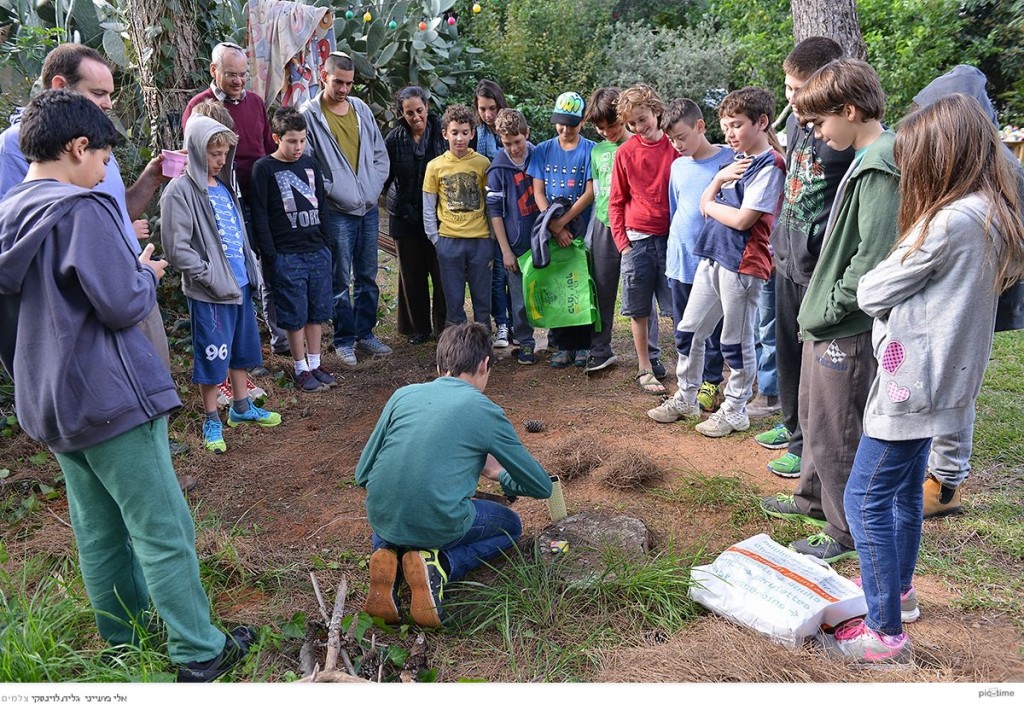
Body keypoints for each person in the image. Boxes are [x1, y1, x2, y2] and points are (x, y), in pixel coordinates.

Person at [0, 89, 255, 682]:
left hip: (56, 403)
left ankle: (125, 639)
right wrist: (144, 273)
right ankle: (199, 652)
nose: (107, 171)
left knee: (99, 532)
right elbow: (119, 304)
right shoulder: (79, 211)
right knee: (163, 527)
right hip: (112, 397)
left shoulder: (11, 213)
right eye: (106, 158)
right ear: (78, 146)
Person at [823, 94, 1024, 665]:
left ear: (942, 156)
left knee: (864, 499)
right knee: (905, 491)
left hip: (911, 379)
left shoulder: (948, 219)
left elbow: (872, 290)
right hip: (947, 380)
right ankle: (900, 595)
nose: (910, 172)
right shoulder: (993, 211)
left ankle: (885, 634)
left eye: (916, 160)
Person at [0, 43, 196, 484]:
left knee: (147, 382)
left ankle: (150, 467)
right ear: (60, 88)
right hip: (89, 306)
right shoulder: (19, 151)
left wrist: (149, 180)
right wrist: (137, 275)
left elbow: (112, 211)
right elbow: (40, 236)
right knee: (114, 408)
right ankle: (141, 477)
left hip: (124, 281)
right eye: (98, 92)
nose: (109, 103)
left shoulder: (90, 144)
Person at [760, 59, 898, 563]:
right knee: (815, 418)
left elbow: (872, 258)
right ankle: (813, 499)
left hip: (847, 324)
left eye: (820, 123)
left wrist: (830, 307)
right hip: (826, 319)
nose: (815, 132)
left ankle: (842, 531)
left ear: (850, 109)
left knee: (838, 427)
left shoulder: (882, 162)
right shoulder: (863, 154)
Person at [356, 322, 553, 628]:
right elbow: (540, 486)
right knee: (510, 526)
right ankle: (441, 567)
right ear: (485, 364)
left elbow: (362, 473)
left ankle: (389, 559)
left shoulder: (402, 395)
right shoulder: (484, 409)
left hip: (382, 516)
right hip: (440, 520)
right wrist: (498, 473)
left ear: (440, 364)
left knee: (398, 522)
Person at [907, 64, 1024, 518]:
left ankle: (947, 481)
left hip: (973, 295)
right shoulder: (962, 157)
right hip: (945, 289)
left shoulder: (1004, 167)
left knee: (957, 383)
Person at [648, 88, 784, 436]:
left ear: (762, 122)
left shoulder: (771, 165)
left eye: (737, 125)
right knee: (688, 331)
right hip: (711, 258)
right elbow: (713, 205)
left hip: (742, 265)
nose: (730, 133)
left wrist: (709, 201)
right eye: (726, 126)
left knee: (734, 342)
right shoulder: (733, 163)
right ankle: (686, 397)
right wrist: (719, 183)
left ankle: (735, 408)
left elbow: (742, 220)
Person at [754, 37, 853, 478]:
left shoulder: (846, 132)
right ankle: (791, 426)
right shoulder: (796, 124)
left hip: (819, 266)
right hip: (786, 255)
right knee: (787, 351)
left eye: (798, 89)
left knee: (817, 363)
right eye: (788, 88)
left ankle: (806, 446)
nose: (791, 99)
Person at [161, 115, 283, 454]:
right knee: (213, 355)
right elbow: (176, 247)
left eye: (223, 153)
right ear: (197, 150)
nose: (220, 160)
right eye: (214, 153)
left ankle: (242, 408)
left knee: (242, 350)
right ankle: (211, 418)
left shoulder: (225, 187)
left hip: (239, 285)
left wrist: (250, 272)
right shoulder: (180, 191)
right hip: (209, 292)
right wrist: (207, 275)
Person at [182, 41, 287, 356]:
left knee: (268, 261)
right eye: (231, 75)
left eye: (243, 75)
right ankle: (240, 344)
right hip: (223, 201)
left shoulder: (255, 103)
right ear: (214, 71)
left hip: (259, 198)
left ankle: (279, 337)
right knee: (235, 269)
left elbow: (267, 150)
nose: (239, 82)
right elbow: (193, 159)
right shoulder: (199, 108)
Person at [300, 51, 391, 367]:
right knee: (340, 276)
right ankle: (343, 339)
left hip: (367, 208)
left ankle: (365, 333)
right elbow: (307, 165)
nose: (343, 89)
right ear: (323, 76)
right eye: (338, 82)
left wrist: (372, 186)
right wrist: (334, 190)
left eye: (349, 83)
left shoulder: (362, 110)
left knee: (368, 274)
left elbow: (380, 155)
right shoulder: (310, 115)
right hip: (337, 210)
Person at [655, 98, 734, 418]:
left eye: (682, 137)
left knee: (712, 327)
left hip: (714, 261)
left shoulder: (729, 160)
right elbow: (678, 210)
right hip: (680, 260)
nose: (677, 145)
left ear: (700, 127)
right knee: (684, 327)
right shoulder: (676, 166)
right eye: (672, 139)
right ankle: (687, 385)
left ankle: (711, 382)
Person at [249, 106, 337, 393]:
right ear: (277, 138)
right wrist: (270, 253)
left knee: (316, 310)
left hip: (316, 250)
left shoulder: (311, 164)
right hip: (286, 253)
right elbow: (260, 213)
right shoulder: (264, 168)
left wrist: (327, 240)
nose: (298, 147)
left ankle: (315, 363)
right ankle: (299, 368)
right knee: (294, 312)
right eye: (291, 141)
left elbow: (322, 204)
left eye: (302, 140)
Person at [583, 86, 662, 378]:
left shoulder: (638, 145)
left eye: (612, 125)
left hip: (637, 230)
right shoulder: (597, 150)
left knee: (644, 293)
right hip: (604, 225)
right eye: (599, 128)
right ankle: (600, 349)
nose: (606, 132)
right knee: (601, 288)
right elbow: (600, 192)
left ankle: (652, 355)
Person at [607, 84, 677, 394]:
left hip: (671, 240)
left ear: (657, 112)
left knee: (678, 307)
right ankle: (645, 367)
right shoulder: (625, 152)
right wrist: (623, 243)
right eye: (632, 123)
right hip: (636, 241)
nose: (638, 127)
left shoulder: (675, 149)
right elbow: (616, 200)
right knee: (638, 309)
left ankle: (690, 364)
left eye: (643, 119)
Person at [527, 91, 596, 368]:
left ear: (582, 122)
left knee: (580, 283)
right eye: (560, 123)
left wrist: (565, 221)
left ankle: (583, 344)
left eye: (571, 123)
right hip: (551, 227)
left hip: (580, 226)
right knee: (557, 283)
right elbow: (538, 189)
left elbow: (591, 191)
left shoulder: (590, 149)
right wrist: (554, 226)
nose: (565, 129)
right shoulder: (543, 149)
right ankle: (561, 344)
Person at [383, 85, 447, 345]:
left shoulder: (442, 133)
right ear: (401, 114)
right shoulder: (393, 138)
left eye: (419, 110)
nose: (415, 117)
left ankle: (444, 327)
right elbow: (385, 178)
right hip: (404, 216)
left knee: (442, 272)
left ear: (427, 107)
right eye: (409, 113)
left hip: (439, 214)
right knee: (411, 275)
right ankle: (416, 328)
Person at [423, 104, 492, 329]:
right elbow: (428, 204)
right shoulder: (435, 166)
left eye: (464, 133)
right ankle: (457, 350)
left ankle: (483, 346)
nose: (459, 139)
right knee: (453, 301)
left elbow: (490, 202)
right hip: (449, 241)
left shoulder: (483, 164)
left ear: (472, 133)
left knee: (482, 299)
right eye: (454, 133)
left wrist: (490, 236)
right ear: (445, 134)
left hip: (479, 240)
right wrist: (435, 238)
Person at [486, 108, 540, 363]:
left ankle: (560, 341)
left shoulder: (539, 156)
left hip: (542, 237)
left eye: (518, 142)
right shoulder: (498, 168)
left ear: (526, 134)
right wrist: (505, 249)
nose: (514, 148)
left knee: (550, 290)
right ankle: (526, 342)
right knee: (519, 300)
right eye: (507, 143)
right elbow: (494, 211)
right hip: (515, 244)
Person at [472, 79, 514, 347]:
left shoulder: (510, 127)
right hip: (488, 211)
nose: (488, 115)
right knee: (497, 270)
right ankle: (502, 323)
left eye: (492, 108)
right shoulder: (476, 133)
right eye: (483, 109)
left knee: (514, 270)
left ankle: (519, 322)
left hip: (514, 210)